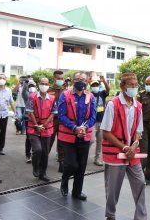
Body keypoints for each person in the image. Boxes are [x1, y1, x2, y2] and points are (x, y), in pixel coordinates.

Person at [101, 72, 146, 220]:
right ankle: (110, 215)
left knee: (140, 183)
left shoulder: (138, 106)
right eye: (131, 85)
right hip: (115, 153)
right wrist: (125, 148)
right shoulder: (113, 104)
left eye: (136, 85)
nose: (134, 88)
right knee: (113, 189)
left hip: (133, 153)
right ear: (122, 86)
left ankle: (141, 217)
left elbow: (139, 131)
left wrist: (134, 145)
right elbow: (106, 132)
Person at [58, 72, 96, 201]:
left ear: (87, 81)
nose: (81, 81)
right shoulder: (65, 95)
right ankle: (64, 180)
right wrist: (74, 128)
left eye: (84, 79)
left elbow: (93, 116)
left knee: (81, 165)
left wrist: (84, 127)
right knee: (72, 164)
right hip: (69, 135)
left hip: (84, 135)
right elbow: (61, 116)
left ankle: (77, 192)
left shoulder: (90, 96)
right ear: (73, 81)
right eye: (78, 79)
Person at [26, 77, 57, 182]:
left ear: (49, 85)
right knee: (38, 150)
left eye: (46, 83)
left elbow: (53, 113)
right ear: (39, 84)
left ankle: (43, 173)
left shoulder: (52, 98)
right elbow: (30, 111)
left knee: (45, 152)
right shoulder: (32, 96)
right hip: (33, 128)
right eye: (42, 83)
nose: (44, 85)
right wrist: (37, 125)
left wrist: (44, 125)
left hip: (46, 128)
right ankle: (36, 167)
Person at [0, 74, 16, 157]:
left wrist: (15, 111)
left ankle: (1, 148)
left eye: (3, 78)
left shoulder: (8, 90)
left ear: (6, 80)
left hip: (4, 115)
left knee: (2, 132)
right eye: (0, 78)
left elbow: (11, 101)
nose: (2, 79)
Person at [47, 70, 66, 172]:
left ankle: (62, 162)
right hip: (51, 120)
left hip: (63, 120)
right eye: (58, 78)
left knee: (62, 142)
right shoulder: (49, 90)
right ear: (54, 78)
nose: (60, 80)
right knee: (49, 140)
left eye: (62, 78)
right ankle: (44, 160)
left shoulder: (65, 91)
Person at [90, 75, 110, 166]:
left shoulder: (102, 93)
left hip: (101, 121)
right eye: (93, 86)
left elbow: (108, 89)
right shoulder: (89, 95)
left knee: (99, 141)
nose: (95, 87)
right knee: (91, 140)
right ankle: (82, 154)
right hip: (92, 121)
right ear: (91, 87)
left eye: (96, 85)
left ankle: (97, 158)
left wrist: (104, 81)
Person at [22, 79, 37, 163]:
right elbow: (23, 91)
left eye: (33, 86)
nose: (31, 87)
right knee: (29, 137)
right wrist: (26, 83)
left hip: (38, 119)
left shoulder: (38, 95)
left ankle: (35, 153)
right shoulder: (26, 95)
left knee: (37, 137)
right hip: (28, 118)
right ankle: (28, 154)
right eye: (30, 86)